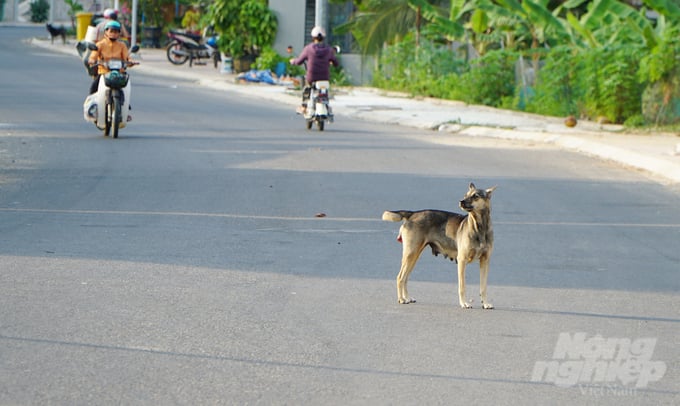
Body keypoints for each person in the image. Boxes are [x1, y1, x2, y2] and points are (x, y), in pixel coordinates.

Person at [290, 26, 339, 114]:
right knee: (325, 90)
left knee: (307, 87)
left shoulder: (308, 48)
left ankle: (304, 106)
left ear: (313, 37)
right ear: (323, 37)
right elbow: (336, 63)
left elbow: (299, 61)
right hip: (324, 77)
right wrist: (333, 63)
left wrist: (293, 61)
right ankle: (326, 105)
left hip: (312, 76)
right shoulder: (329, 50)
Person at [88, 20, 136, 95]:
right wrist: (92, 60)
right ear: (106, 32)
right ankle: (91, 104)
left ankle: (125, 104)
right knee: (93, 89)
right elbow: (93, 56)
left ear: (119, 33)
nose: (113, 34)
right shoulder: (100, 44)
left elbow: (127, 58)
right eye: (111, 31)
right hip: (104, 72)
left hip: (119, 73)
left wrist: (131, 61)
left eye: (116, 32)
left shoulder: (122, 45)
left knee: (126, 88)